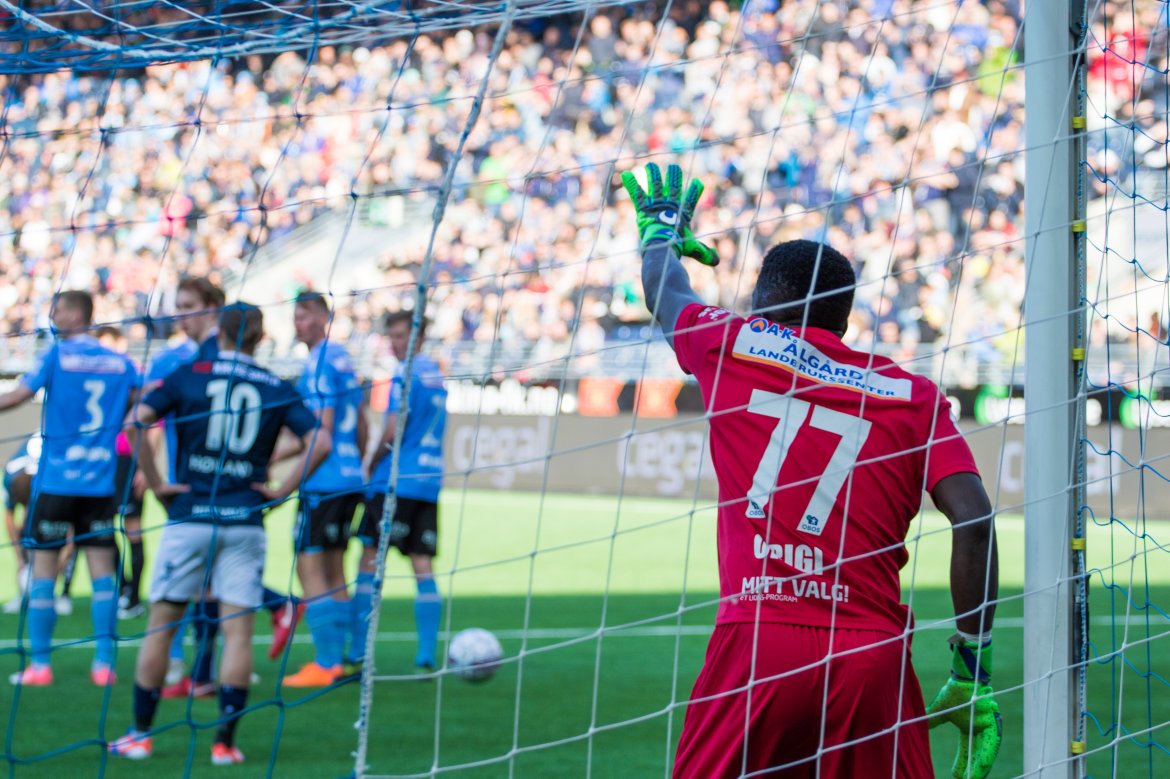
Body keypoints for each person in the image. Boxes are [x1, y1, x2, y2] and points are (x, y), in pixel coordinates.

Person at [620, 163, 1002, 779]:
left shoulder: (734, 342)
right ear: (843, 320)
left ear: (765, 300)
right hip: (870, 659)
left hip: (758, 640)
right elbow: (976, 520)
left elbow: (666, 294)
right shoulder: (912, 395)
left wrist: (661, 235)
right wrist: (973, 666)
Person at [109, 303, 329, 765]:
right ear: (259, 337)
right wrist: (280, 492)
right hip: (244, 521)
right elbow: (321, 442)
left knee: (161, 628)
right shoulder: (275, 385)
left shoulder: (190, 373)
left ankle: (140, 735)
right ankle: (225, 744)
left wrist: (156, 483)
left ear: (219, 332)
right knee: (238, 634)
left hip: (189, 515)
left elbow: (136, 422)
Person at [0, 290, 140, 687]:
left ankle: (40, 665)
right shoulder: (119, 361)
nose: (52, 316)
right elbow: (144, 400)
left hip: (57, 481)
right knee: (102, 574)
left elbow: (19, 396)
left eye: (57, 310)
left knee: (42, 571)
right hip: (99, 483)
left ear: (76, 314)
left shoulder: (56, 355)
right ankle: (104, 665)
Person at [277, 292, 368, 687]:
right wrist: (357, 465)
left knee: (309, 565)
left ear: (321, 318)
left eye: (303, 316)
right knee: (335, 568)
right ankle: (348, 658)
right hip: (349, 477)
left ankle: (326, 662)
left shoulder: (317, 364)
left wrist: (281, 482)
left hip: (324, 480)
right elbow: (362, 423)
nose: (298, 324)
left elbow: (320, 432)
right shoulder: (344, 360)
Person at [358, 311, 447, 675]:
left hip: (397, 481)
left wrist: (370, 463)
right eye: (392, 335)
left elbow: (393, 429)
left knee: (367, 559)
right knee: (421, 564)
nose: (397, 343)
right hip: (429, 481)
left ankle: (356, 648)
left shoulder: (404, 375)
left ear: (420, 337)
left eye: (402, 335)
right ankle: (426, 652)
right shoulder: (438, 376)